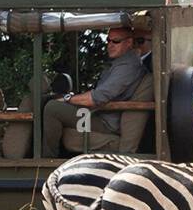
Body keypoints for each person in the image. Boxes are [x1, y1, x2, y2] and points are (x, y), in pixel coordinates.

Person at [41, 26, 145, 157]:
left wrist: (67, 99)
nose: (110, 45)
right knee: (53, 105)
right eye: (108, 40)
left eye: (116, 41)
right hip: (98, 114)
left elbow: (98, 97)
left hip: (105, 122)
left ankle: (47, 160)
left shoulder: (128, 66)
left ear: (129, 42)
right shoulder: (120, 63)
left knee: (52, 108)